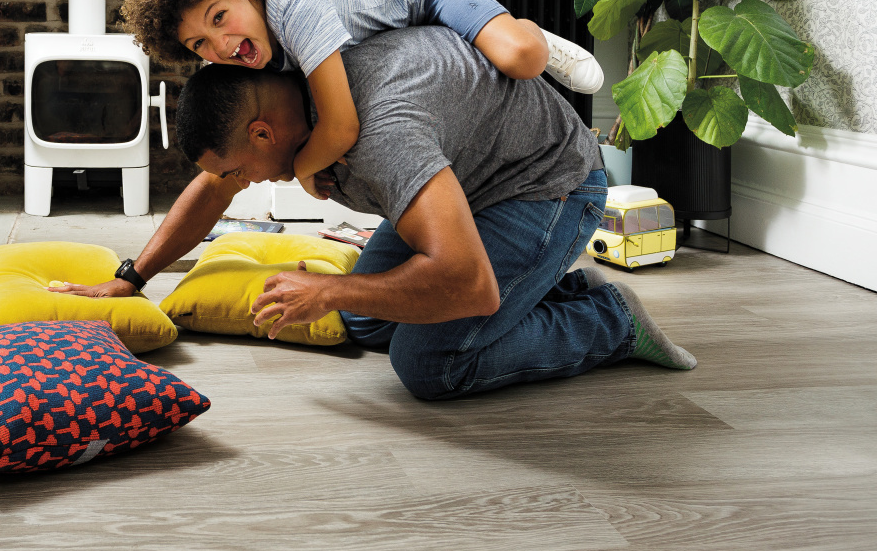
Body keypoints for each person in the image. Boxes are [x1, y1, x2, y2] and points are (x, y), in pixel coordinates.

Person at [52, 26, 694, 399]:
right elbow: (212, 188)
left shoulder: (382, 137)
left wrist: (328, 287)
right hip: (465, 185)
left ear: (263, 134)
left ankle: (608, 321)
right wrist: (132, 276)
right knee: (365, 316)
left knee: (428, 364)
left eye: (235, 170)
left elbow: (463, 280)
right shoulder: (295, 75)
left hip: (545, 189)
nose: (233, 185)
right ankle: (545, 286)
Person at [120, 0, 604, 201]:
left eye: (219, 17)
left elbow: (341, 128)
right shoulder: (241, 54)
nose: (219, 46)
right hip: (380, 38)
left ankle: (527, 27)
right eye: (198, 44)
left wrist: (302, 169)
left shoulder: (297, 11)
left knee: (522, 59)